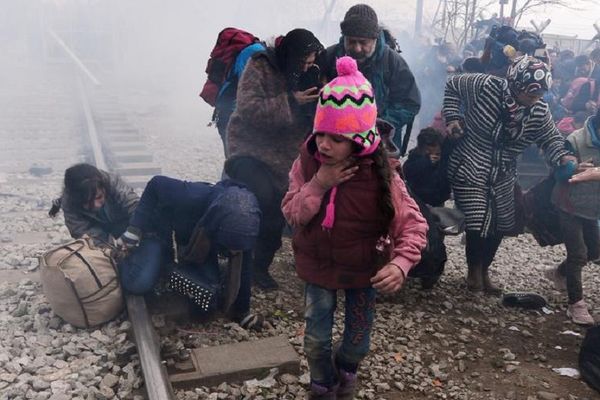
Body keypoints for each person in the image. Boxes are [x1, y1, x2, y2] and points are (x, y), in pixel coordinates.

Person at [282, 57, 427, 399]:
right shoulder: (306, 164)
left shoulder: (381, 175)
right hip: (318, 266)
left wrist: (401, 263)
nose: (324, 145)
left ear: (360, 141)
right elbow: (291, 214)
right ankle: (322, 386)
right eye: (321, 134)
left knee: (358, 344)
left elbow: (414, 224)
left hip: (364, 271)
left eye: (337, 137)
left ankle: (345, 372)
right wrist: (317, 185)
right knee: (315, 341)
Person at [443, 55, 576, 295]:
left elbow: (551, 139)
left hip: (504, 169)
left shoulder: (538, 110)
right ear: (515, 85)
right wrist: (453, 117)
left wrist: (563, 157)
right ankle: (473, 272)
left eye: (539, 95)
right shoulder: (484, 86)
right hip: (471, 157)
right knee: (478, 218)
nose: (534, 99)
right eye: (530, 94)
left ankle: (485, 270)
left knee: (501, 221)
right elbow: (453, 85)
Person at [225, 28, 324, 290]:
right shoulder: (261, 66)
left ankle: (259, 267)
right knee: (261, 199)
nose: (305, 66)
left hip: (285, 156)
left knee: (278, 210)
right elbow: (248, 109)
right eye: (302, 60)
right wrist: (292, 102)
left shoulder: (311, 74)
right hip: (249, 148)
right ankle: (235, 255)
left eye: (310, 60)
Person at [117, 175, 263, 330]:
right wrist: (134, 229)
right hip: (169, 224)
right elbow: (155, 183)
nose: (232, 251)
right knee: (142, 281)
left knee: (207, 304)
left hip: (203, 235)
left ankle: (180, 274)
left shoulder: (247, 224)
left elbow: (244, 269)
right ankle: (166, 270)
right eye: (228, 247)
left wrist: (243, 312)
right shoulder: (192, 196)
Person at [318, 3, 421, 150]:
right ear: (344, 37)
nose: (357, 48)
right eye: (352, 41)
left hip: (379, 145)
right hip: (336, 144)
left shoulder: (392, 62)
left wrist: (379, 124)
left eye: (363, 42)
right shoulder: (329, 57)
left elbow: (410, 103)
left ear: (375, 39)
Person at [546, 109, 600, 325]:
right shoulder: (575, 140)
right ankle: (575, 304)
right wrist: (574, 168)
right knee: (578, 253)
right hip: (569, 204)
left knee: (595, 250)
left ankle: (559, 272)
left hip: (593, 207)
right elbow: (558, 172)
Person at [49, 163, 138, 245]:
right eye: (88, 202)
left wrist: (134, 231)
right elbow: (83, 233)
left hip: (126, 224)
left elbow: (136, 207)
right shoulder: (69, 204)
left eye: (99, 197)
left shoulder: (114, 183)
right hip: (100, 233)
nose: (96, 205)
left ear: (104, 188)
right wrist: (113, 247)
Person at [402, 127, 452, 207]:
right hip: (417, 200)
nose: (434, 156)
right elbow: (408, 171)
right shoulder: (413, 159)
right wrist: (426, 162)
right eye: (428, 153)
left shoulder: (442, 162)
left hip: (437, 202)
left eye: (437, 154)